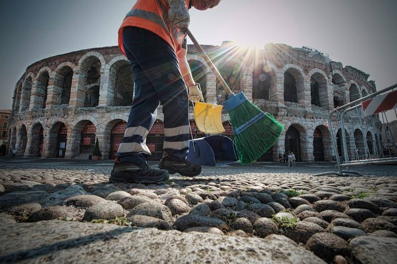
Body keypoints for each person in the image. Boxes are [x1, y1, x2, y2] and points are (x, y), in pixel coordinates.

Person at [110, 0, 222, 184]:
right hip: (149, 32)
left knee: (147, 99)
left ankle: (129, 161)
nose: (208, 6)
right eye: (210, 1)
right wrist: (178, 7)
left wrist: (192, 85)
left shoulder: (182, 26)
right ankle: (175, 156)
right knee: (176, 95)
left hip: (136, 34)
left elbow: (180, 57)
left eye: (211, 6)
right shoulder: (181, 7)